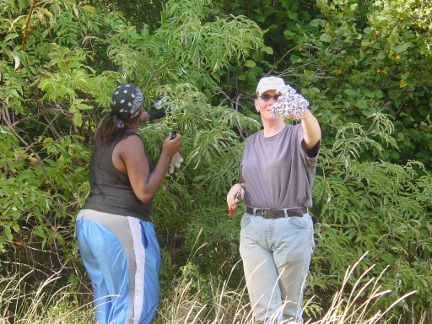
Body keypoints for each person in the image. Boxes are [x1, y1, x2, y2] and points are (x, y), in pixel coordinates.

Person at [76, 83, 182, 324]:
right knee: (136, 304)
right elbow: (144, 192)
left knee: (108, 301)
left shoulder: (104, 131)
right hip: (119, 224)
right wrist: (166, 154)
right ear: (139, 108)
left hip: (89, 223)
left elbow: (131, 119)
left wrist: (153, 113)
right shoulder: (131, 142)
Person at [226, 76, 321, 323]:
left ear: (285, 102)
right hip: (253, 229)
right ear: (256, 103)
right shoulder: (251, 143)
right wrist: (238, 187)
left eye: (277, 97)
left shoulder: (297, 134)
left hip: (291, 227)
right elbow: (253, 179)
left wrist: (303, 112)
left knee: (289, 312)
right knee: (264, 312)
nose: (271, 102)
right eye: (265, 97)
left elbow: (314, 139)